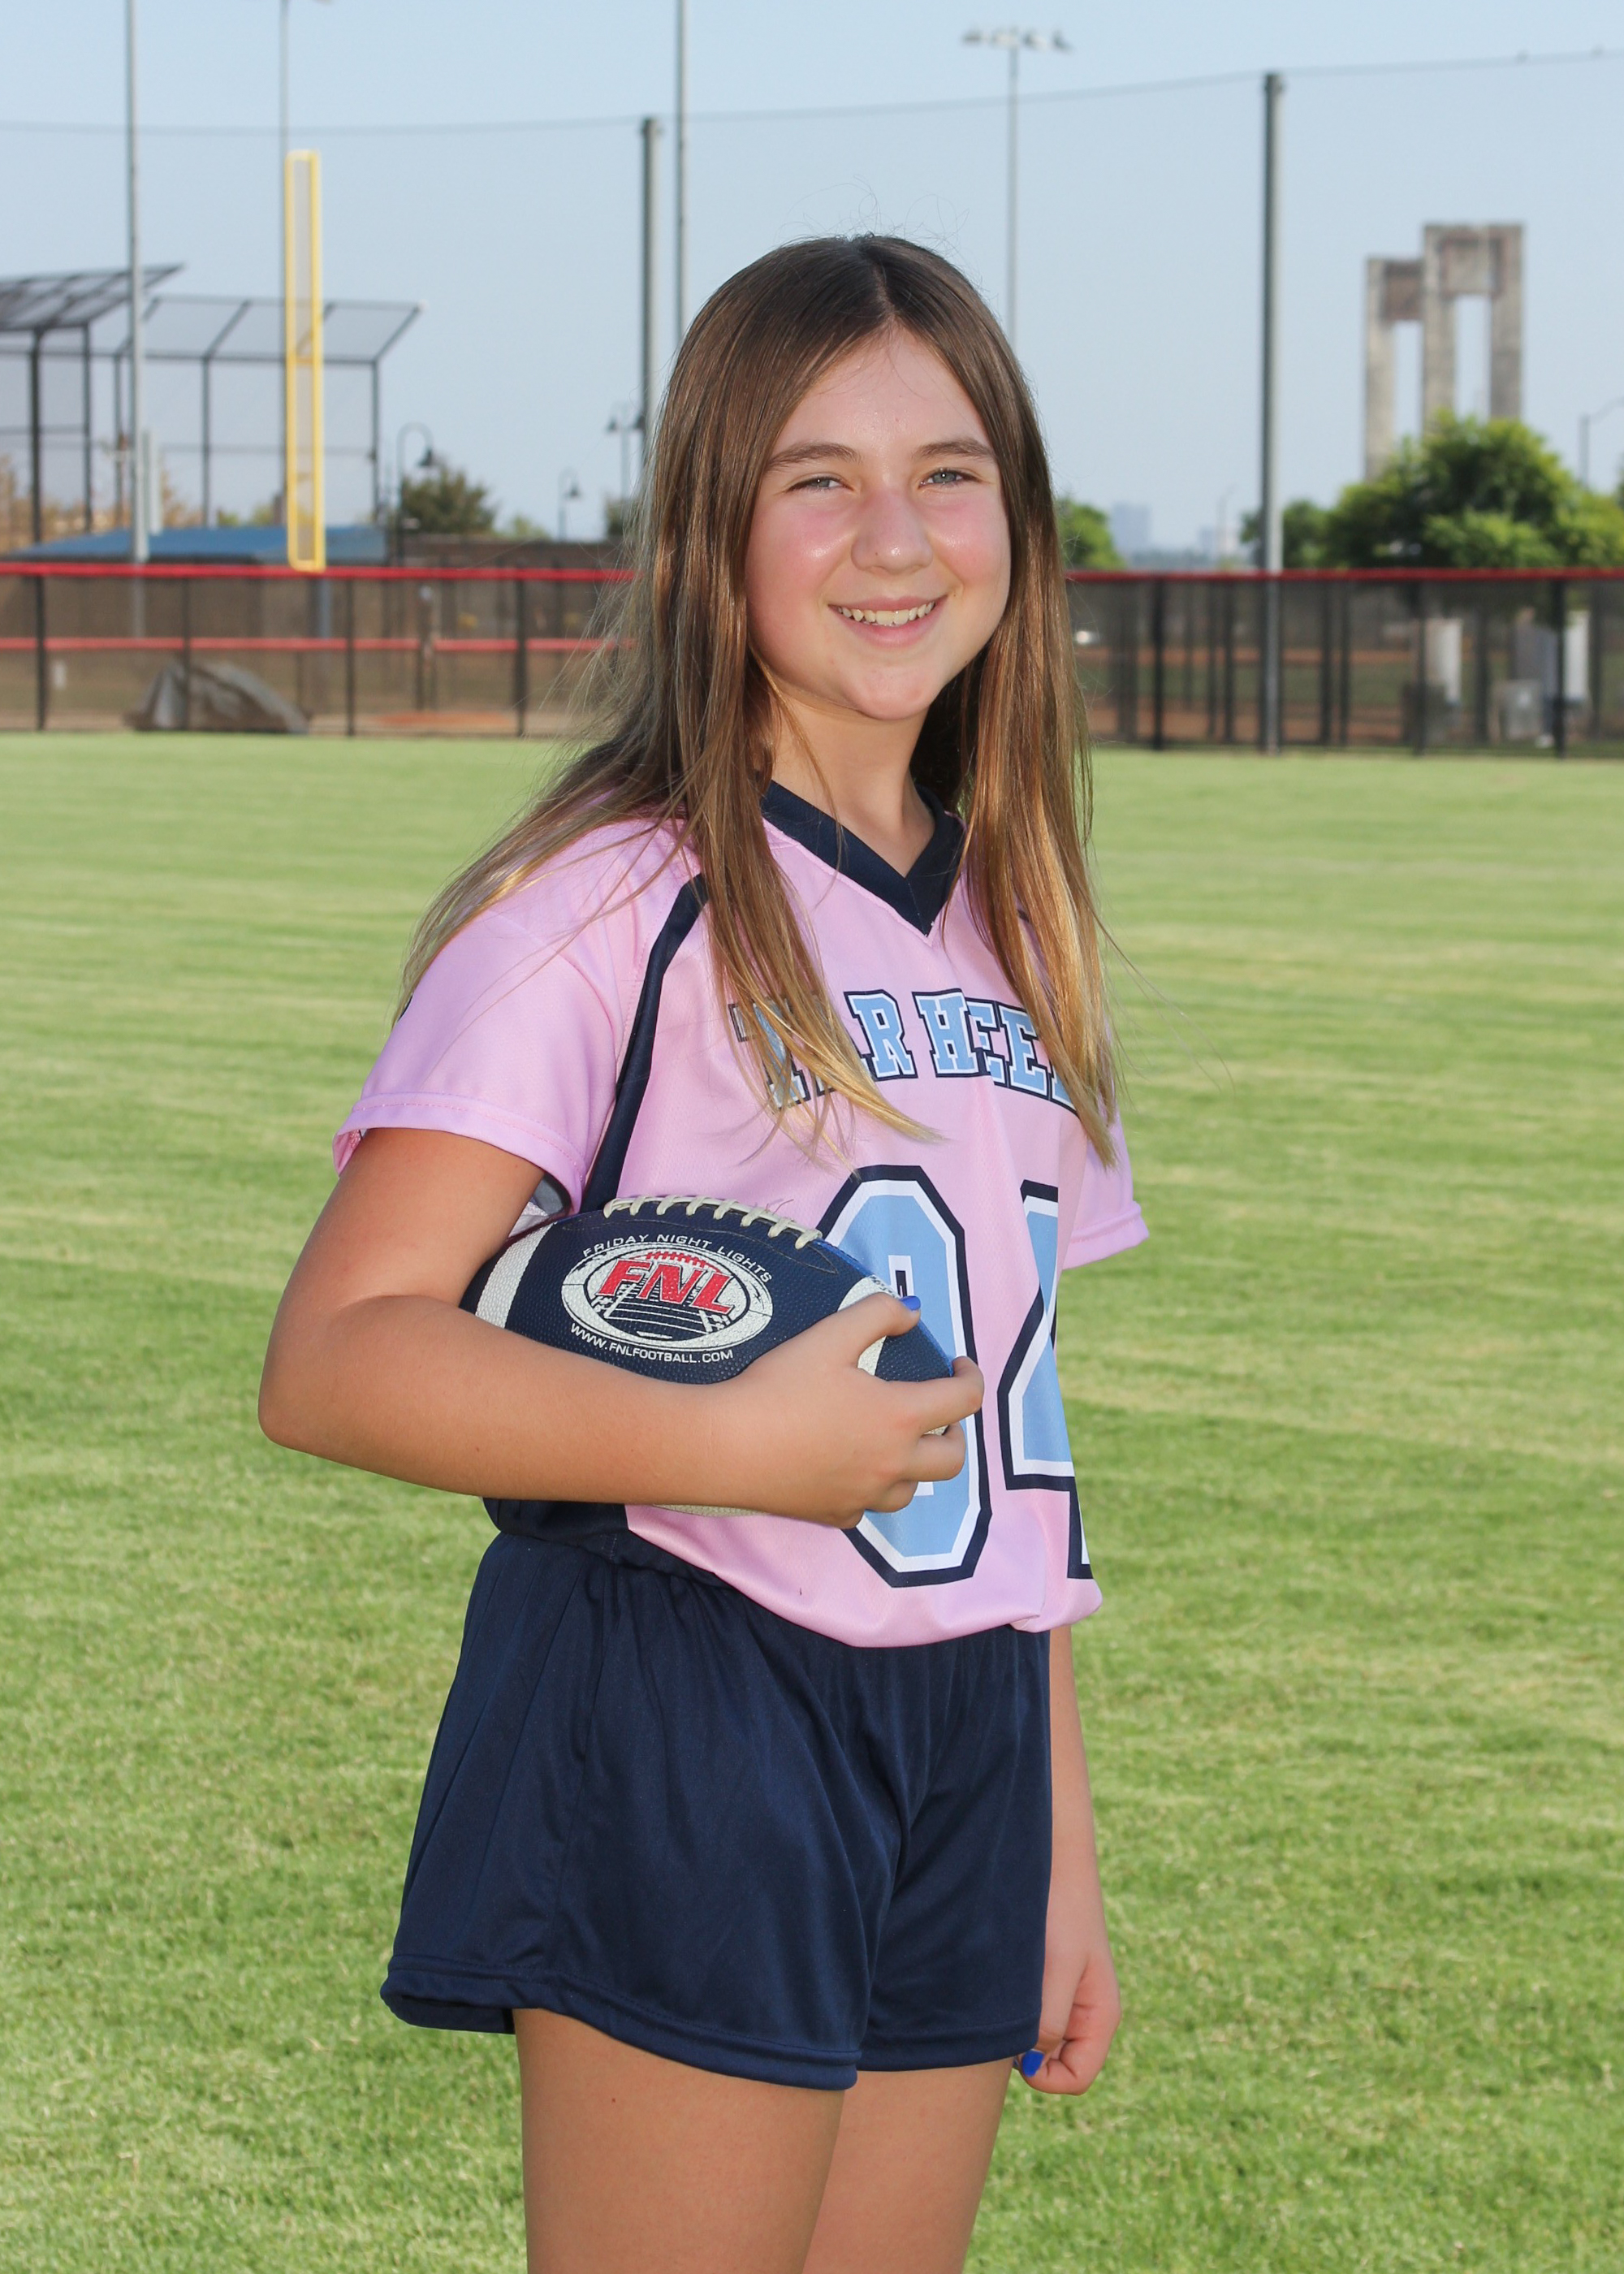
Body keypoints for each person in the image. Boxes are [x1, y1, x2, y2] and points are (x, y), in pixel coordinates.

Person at [260, 234, 1147, 2274]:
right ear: (709, 533)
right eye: (817, 479)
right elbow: (337, 1349)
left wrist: (1057, 1833)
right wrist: (733, 1444)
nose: (894, 537)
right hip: (694, 1688)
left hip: (967, 1725)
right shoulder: (611, 903)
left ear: (1017, 517)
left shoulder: (1020, 919)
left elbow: (1012, 1415)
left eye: (947, 473)